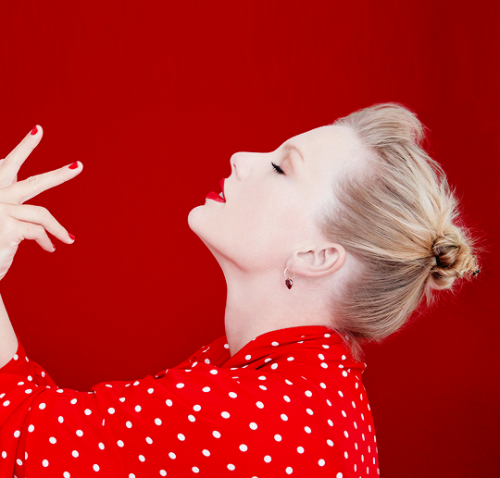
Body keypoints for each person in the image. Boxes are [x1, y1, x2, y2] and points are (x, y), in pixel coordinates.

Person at [0, 103, 479, 478]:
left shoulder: (258, 416)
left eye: (281, 168)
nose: (243, 158)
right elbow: (40, 427)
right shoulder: (293, 388)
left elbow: (19, 440)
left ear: (317, 255)